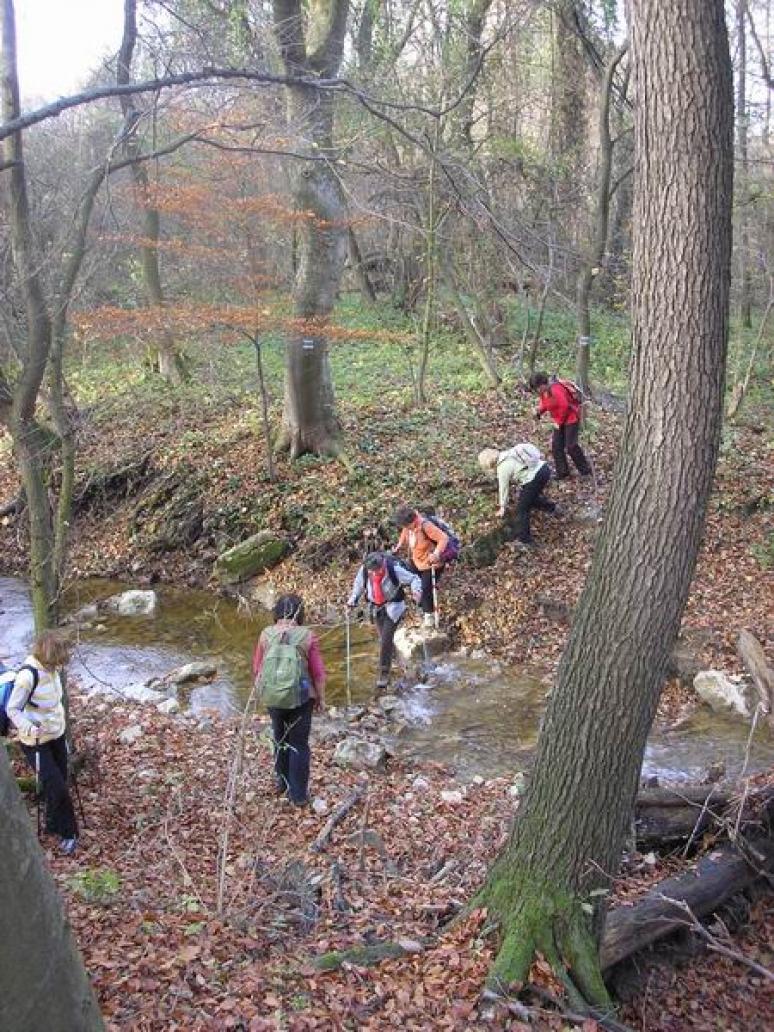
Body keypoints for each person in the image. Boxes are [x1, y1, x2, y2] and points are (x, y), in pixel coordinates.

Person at [8, 631, 79, 855]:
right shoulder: (27, 677)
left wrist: (61, 725)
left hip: (56, 735)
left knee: (60, 781)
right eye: (61, 654)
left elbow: (54, 703)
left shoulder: (53, 669)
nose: (64, 659)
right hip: (35, 742)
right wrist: (28, 726)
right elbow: (13, 709)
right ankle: (69, 833)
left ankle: (52, 822)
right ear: (50, 653)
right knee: (56, 786)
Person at [252, 594, 326, 807]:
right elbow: (318, 672)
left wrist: (260, 695)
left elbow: (257, 668)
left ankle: (281, 781)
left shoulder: (266, 635)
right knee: (299, 744)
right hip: (301, 698)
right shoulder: (308, 636)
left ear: (276, 613)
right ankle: (299, 795)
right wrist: (321, 698)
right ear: (299, 613)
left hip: (273, 696)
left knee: (279, 737)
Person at [347, 551, 422, 689]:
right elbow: (358, 586)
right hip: (376, 608)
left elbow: (414, 578)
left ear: (382, 564)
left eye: (379, 569)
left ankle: (384, 673)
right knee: (384, 638)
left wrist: (416, 591)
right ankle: (398, 661)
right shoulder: (364, 571)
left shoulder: (394, 569)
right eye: (374, 570)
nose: (377, 572)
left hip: (394, 608)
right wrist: (353, 599)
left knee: (385, 640)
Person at [478, 443, 556, 546]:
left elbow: (504, 489)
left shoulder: (502, 468)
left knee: (522, 509)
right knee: (529, 498)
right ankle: (552, 508)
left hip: (535, 477)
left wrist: (502, 507)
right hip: (544, 469)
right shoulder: (506, 454)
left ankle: (525, 540)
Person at [392, 506, 449, 628]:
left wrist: (436, 554)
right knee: (417, 585)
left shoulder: (425, 526)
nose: (406, 528)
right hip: (416, 561)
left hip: (431, 563)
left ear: (412, 522)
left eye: (407, 526)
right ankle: (423, 608)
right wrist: (399, 545)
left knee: (426, 589)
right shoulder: (408, 527)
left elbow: (443, 538)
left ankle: (429, 615)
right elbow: (404, 532)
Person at [529, 371, 591, 479]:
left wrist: (559, 422)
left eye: (537, 388)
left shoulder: (556, 389)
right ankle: (562, 472)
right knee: (556, 446)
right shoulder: (544, 393)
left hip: (571, 418)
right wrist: (539, 412)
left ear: (542, 384)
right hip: (559, 421)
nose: (537, 391)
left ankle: (585, 470)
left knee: (571, 446)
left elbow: (565, 406)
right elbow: (546, 404)